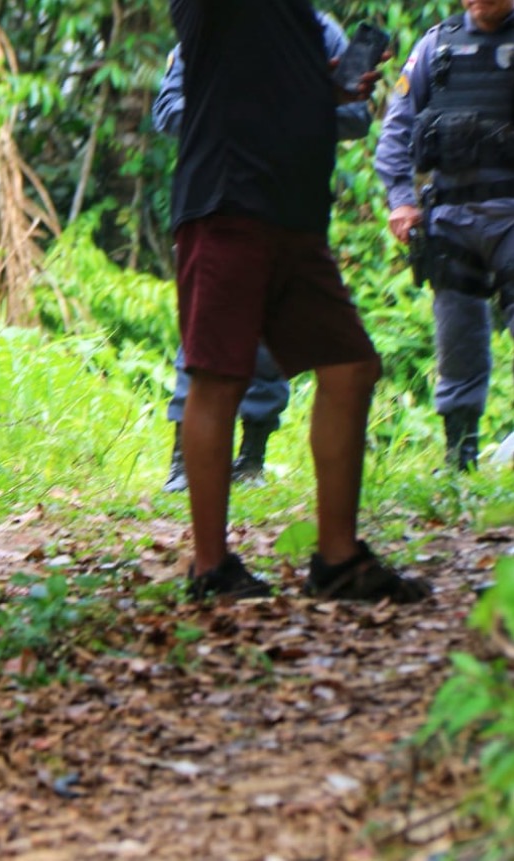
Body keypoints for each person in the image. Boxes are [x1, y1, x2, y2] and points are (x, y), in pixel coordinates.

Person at [168, 0, 430, 603]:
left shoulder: (301, 19)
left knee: (351, 366)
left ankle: (338, 560)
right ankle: (210, 568)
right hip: (228, 201)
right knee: (218, 377)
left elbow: (271, 85)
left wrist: (330, 89)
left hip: (295, 216)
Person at [153, 13, 372, 492]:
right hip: (219, 198)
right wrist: (247, 108)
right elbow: (167, 109)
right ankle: (183, 466)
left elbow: (357, 116)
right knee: (205, 343)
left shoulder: (320, 30)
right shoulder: (216, 23)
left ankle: (253, 458)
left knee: (278, 346)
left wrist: (298, 103)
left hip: (292, 205)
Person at [374, 0, 514, 471]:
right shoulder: (437, 44)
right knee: (457, 338)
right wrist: (401, 200)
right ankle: (460, 453)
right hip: (451, 216)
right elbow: (398, 126)